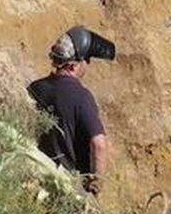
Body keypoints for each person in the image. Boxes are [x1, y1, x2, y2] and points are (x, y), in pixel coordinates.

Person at [28, 27, 112, 185]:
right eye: (86, 60)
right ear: (73, 65)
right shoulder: (82, 97)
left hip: (37, 179)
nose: (87, 65)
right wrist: (97, 182)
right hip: (69, 185)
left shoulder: (35, 88)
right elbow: (99, 144)